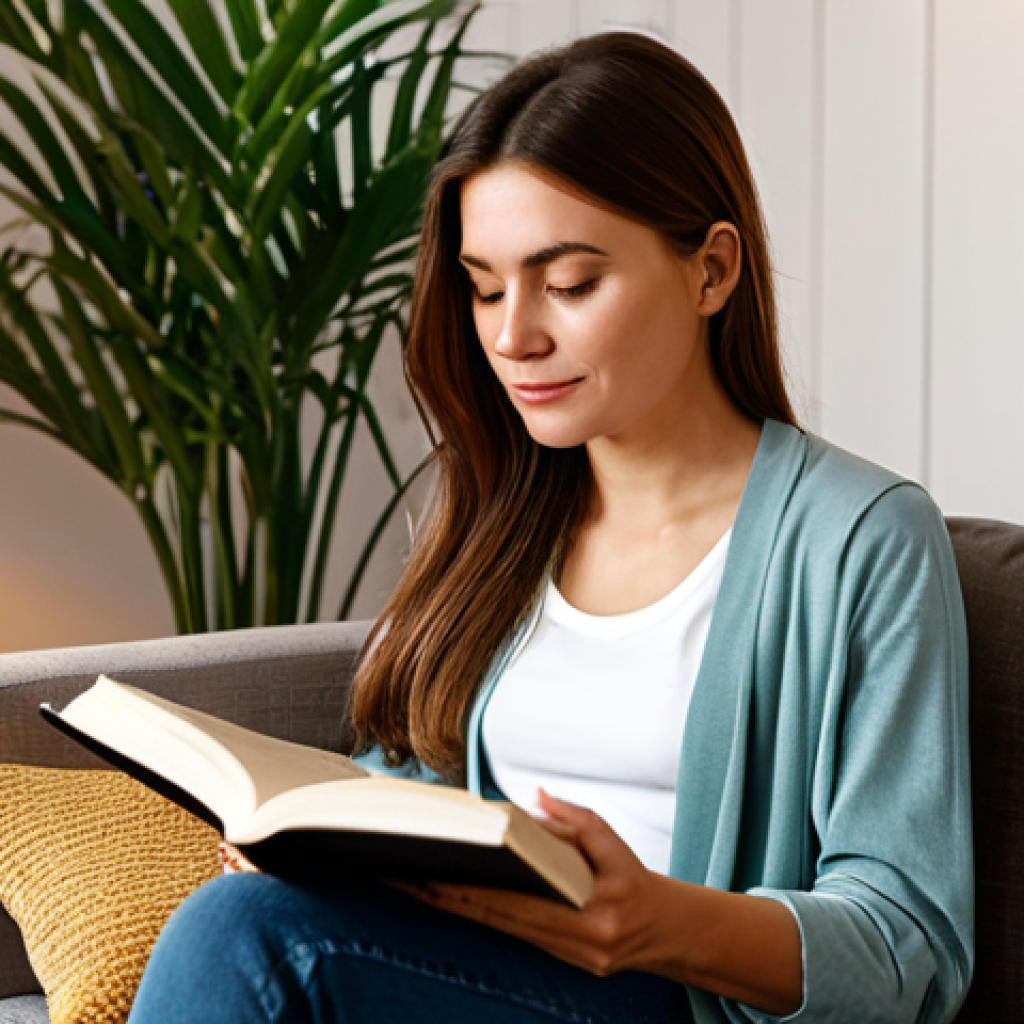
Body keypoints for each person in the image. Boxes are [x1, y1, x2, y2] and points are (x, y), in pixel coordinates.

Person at [128, 29, 972, 1024]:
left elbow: (907, 944)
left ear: (710, 271)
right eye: (484, 286)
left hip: (683, 1003)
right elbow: (419, 776)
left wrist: (660, 921)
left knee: (245, 938)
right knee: (247, 911)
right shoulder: (502, 512)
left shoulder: (860, 540)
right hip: (485, 977)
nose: (512, 335)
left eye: (567, 283)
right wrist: (307, 828)